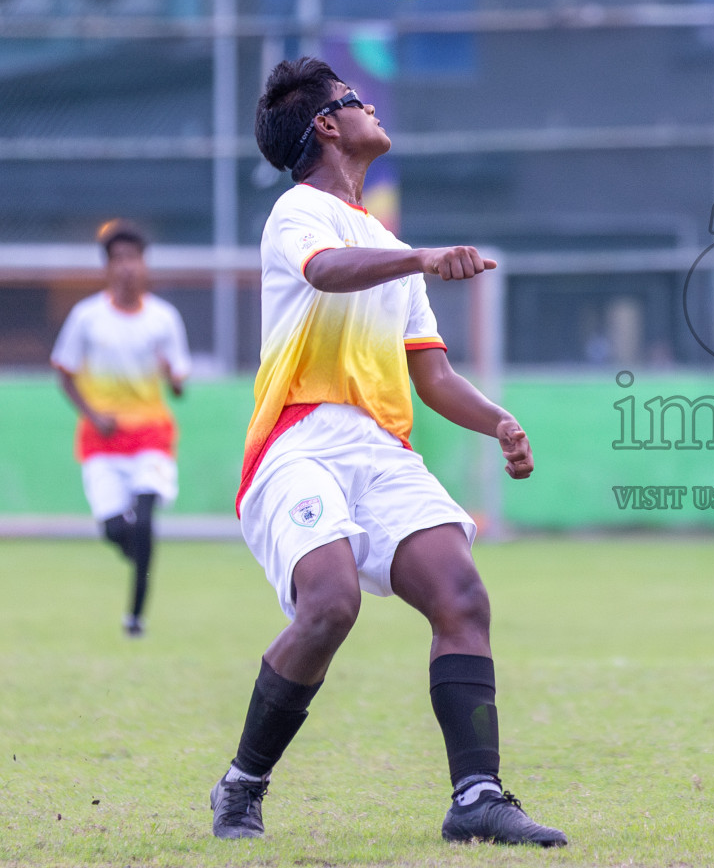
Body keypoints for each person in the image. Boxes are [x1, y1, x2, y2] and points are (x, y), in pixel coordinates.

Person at [209, 57, 566, 847]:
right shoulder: (297, 213)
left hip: (379, 446)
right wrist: (421, 257)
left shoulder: (387, 240)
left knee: (461, 595)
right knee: (329, 604)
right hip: (298, 440)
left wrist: (497, 420)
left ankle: (476, 796)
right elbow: (328, 275)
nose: (370, 106)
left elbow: (430, 374)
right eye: (353, 99)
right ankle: (241, 785)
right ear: (327, 126)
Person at [51, 219, 190, 638]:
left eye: (134, 258)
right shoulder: (86, 317)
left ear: (144, 265)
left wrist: (173, 377)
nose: (127, 267)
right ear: (108, 268)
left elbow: (179, 385)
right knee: (116, 530)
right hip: (103, 440)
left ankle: (135, 617)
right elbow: (64, 372)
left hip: (150, 434)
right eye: (118, 259)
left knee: (145, 520)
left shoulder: (164, 319)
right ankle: (140, 555)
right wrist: (94, 415)